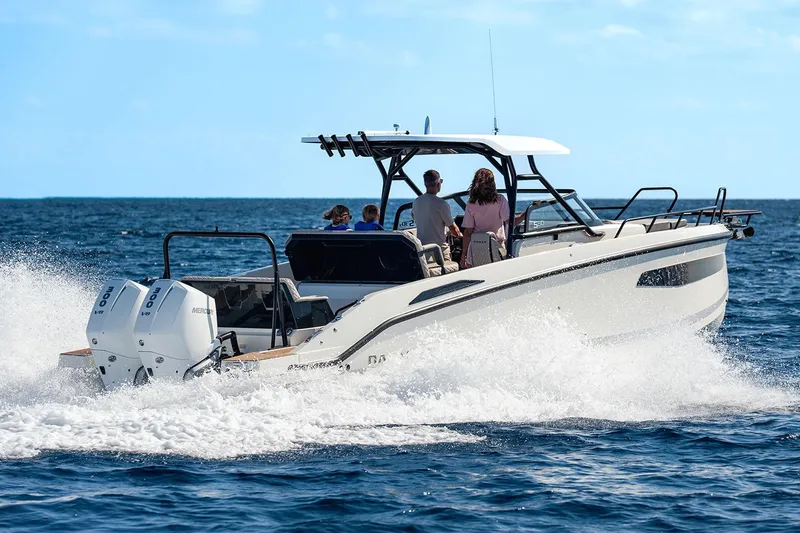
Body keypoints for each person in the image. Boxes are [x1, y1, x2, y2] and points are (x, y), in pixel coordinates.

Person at [460, 168, 510, 269]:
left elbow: (467, 233)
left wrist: (463, 256)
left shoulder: (471, 203)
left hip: (475, 249)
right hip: (497, 248)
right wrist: (525, 214)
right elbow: (511, 222)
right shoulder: (500, 200)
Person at [412, 169, 462, 261]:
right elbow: (454, 231)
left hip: (422, 252)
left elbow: (415, 219)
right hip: (439, 251)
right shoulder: (442, 204)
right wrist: (461, 236)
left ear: (425, 184)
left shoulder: (416, 202)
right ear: (438, 184)